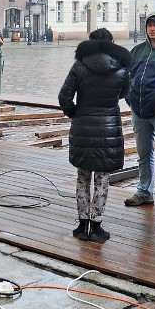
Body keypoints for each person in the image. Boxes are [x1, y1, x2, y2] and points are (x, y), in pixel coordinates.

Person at [58, 28, 132, 243]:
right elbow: (124, 94)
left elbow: (64, 97)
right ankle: (97, 226)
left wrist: (75, 112)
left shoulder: (79, 65)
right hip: (108, 128)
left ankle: (82, 226)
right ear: (111, 42)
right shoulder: (121, 68)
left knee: (83, 177)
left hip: (83, 126)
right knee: (102, 179)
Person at [124, 14, 155, 208]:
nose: (152, 29)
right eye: (149, 25)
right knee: (144, 154)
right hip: (139, 110)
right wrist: (130, 98)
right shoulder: (137, 51)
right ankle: (145, 191)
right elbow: (127, 76)